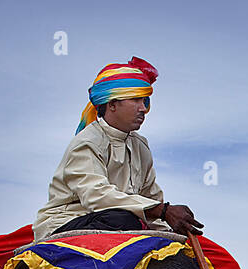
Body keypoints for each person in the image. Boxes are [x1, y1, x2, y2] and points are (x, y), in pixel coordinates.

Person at [33, 57, 203, 239]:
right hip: (69, 221)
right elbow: (97, 197)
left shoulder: (141, 146)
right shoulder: (87, 141)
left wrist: (172, 226)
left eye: (145, 101)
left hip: (122, 219)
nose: (143, 109)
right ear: (112, 104)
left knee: (192, 244)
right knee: (124, 219)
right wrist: (163, 211)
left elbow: (151, 199)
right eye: (136, 100)